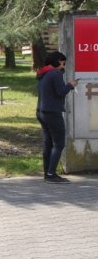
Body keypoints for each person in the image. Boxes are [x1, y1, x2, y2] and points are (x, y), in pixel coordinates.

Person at [36, 50, 78, 183]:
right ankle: (51, 174)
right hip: (53, 112)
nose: (64, 65)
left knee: (48, 143)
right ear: (58, 61)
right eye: (63, 62)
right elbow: (60, 92)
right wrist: (70, 85)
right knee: (59, 144)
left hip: (41, 111)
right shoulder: (55, 73)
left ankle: (47, 173)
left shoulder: (43, 73)